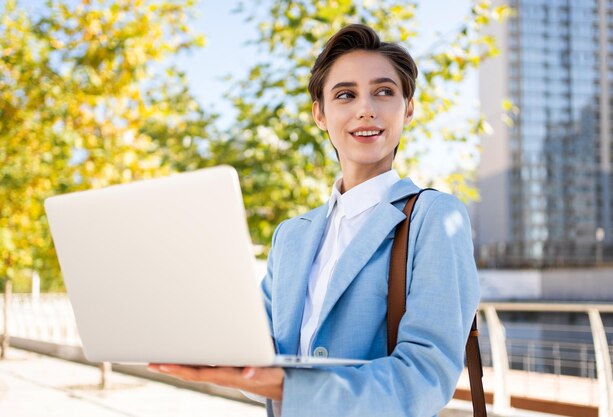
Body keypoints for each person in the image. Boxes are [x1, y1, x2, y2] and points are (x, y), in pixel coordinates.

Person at [149, 23, 480, 417]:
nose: (365, 108)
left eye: (384, 91)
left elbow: (424, 378)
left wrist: (291, 386)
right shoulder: (291, 236)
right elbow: (262, 357)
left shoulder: (434, 217)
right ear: (320, 115)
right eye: (345, 95)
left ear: (408, 109)